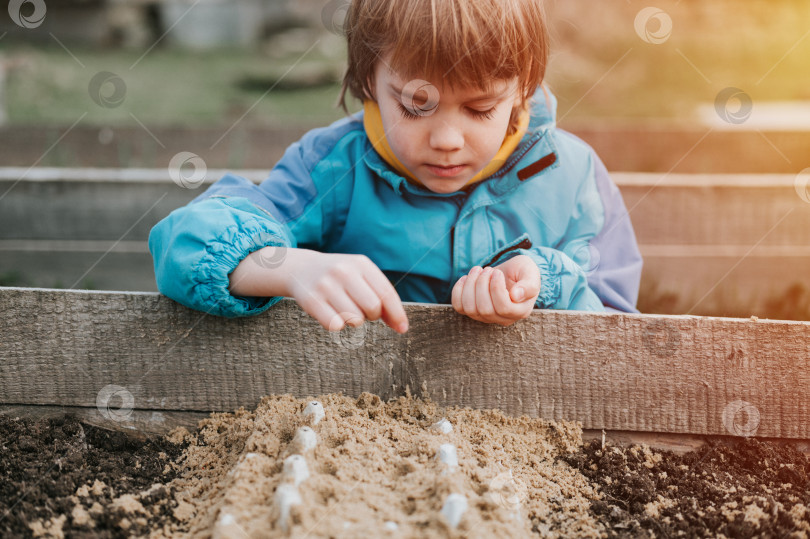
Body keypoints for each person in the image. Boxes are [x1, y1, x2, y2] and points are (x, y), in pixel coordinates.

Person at [148, 0, 643, 334]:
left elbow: (620, 331)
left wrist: (545, 281)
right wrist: (286, 266)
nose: (447, 140)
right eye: (415, 106)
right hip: (360, 420)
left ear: (524, 89)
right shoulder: (333, 166)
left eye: (479, 109)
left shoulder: (573, 175)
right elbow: (185, 242)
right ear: (368, 80)